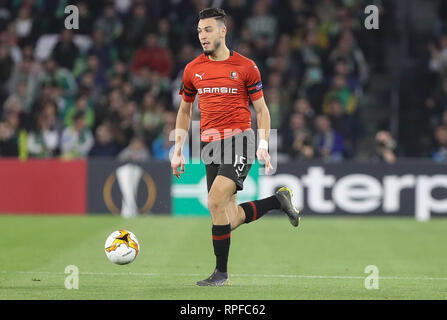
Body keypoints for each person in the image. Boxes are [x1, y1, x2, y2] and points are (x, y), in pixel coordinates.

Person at [170, 8, 300, 287]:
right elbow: (184, 110)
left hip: (239, 140)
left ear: (222, 31)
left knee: (215, 200)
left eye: (207, 30)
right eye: (199, 32)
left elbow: (262, 111)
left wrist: (263, 144)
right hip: (209, 145)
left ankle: (221, 274)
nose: (202, 36)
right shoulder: (193, 69)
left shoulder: (246, 67)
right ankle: (278, 200)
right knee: (226, 220)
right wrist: (178, 148)